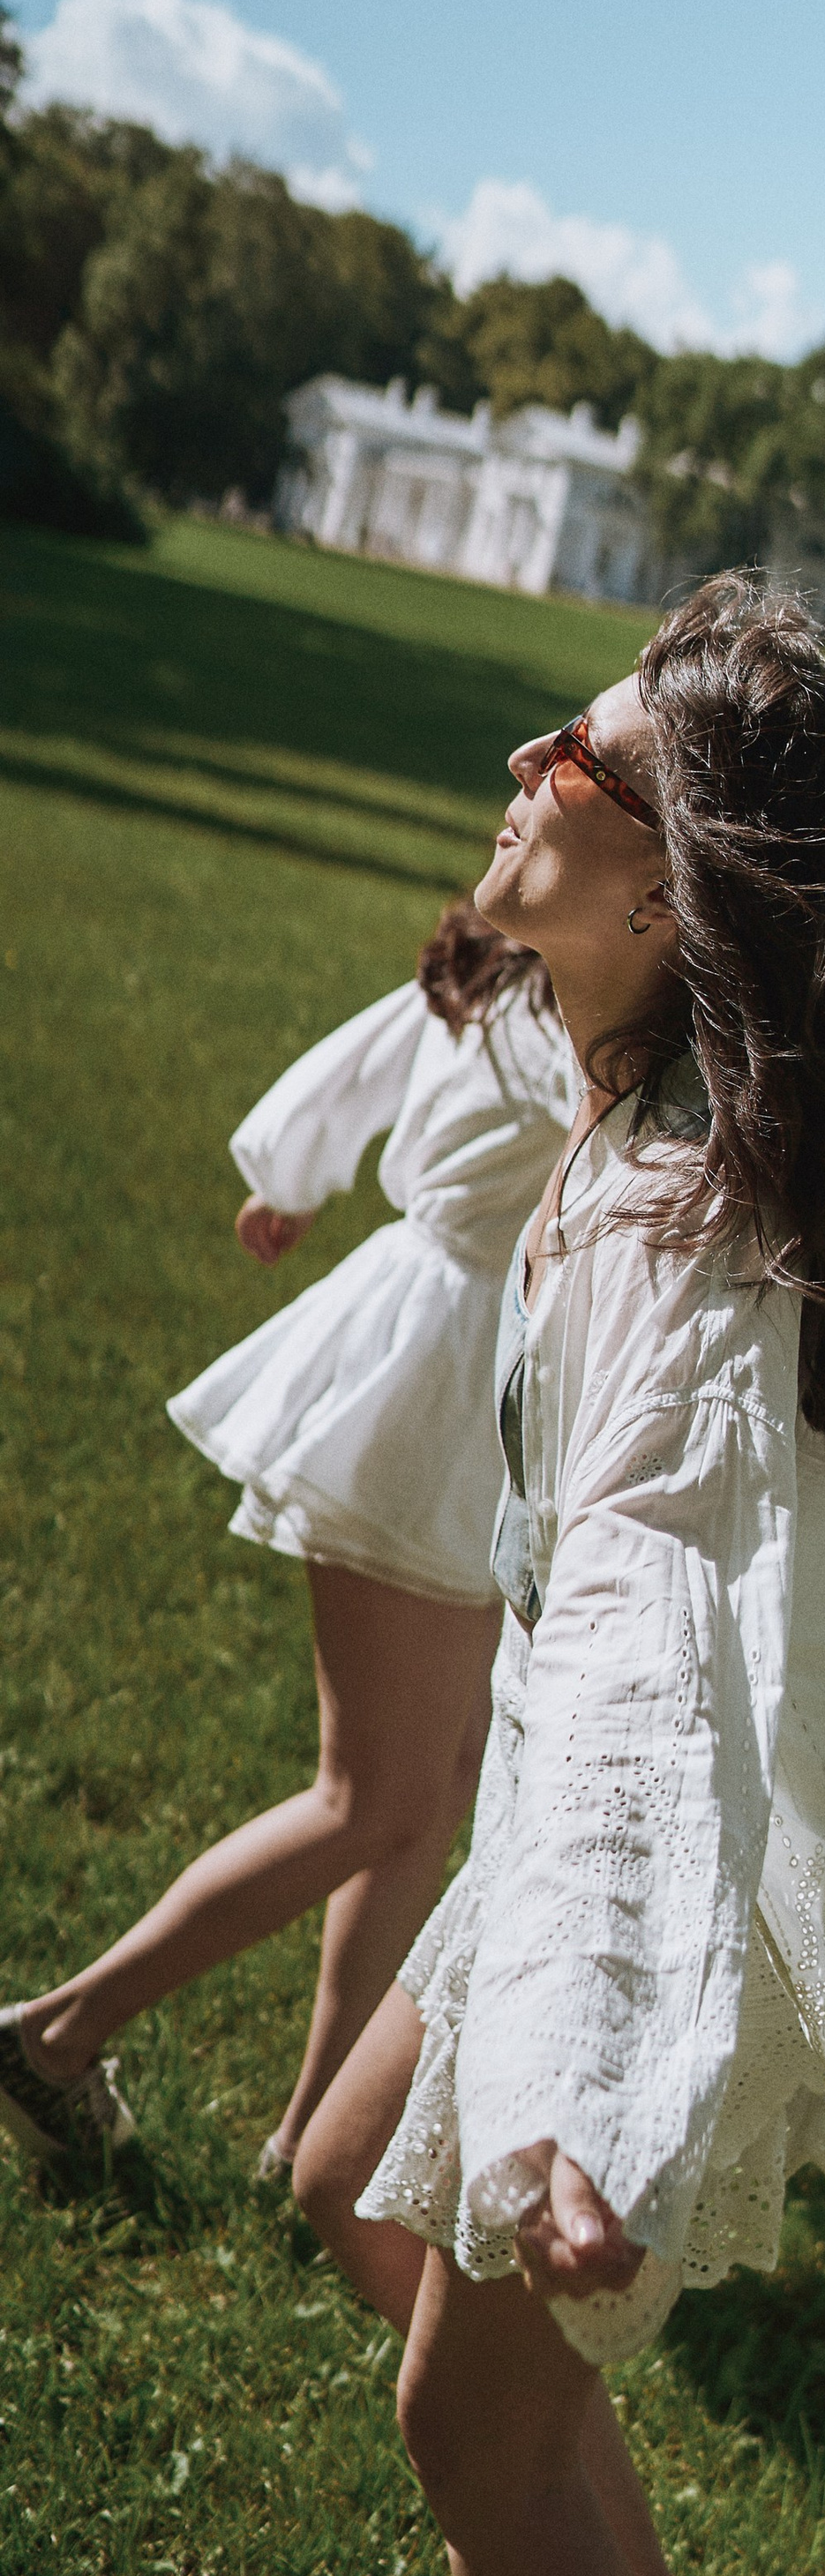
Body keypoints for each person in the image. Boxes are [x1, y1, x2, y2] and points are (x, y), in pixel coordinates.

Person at [292, 581, 825, 2576]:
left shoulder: (694, 1219)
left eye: (568, 765)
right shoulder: (637, 1105)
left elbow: (650, 1638)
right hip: (604, 1804)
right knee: (337, 2181)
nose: (519, 770)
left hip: (677, 1855)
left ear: (675, 898)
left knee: (470, 2442)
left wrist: (572, 2059)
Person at [0, 904, 577, 2181]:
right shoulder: (572, 996)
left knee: (421, 1800)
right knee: (370, 1796)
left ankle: (314, 2131)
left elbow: (360, 1063)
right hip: (432, 1378)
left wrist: (291, 1177)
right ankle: (53, 2037)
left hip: (458, 1366)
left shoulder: (515, 968)